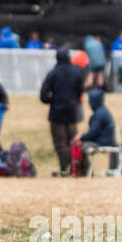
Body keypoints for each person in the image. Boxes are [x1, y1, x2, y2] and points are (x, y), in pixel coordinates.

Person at [40, 48, 85, 176]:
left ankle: (65, 169)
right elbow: (80, 91)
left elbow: (43, 95)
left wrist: (53, 100)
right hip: (72, 113)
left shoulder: (53, 73)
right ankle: (77, 169)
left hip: (57, 114)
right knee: (74, 142)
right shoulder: (76, 72)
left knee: (61, 143)